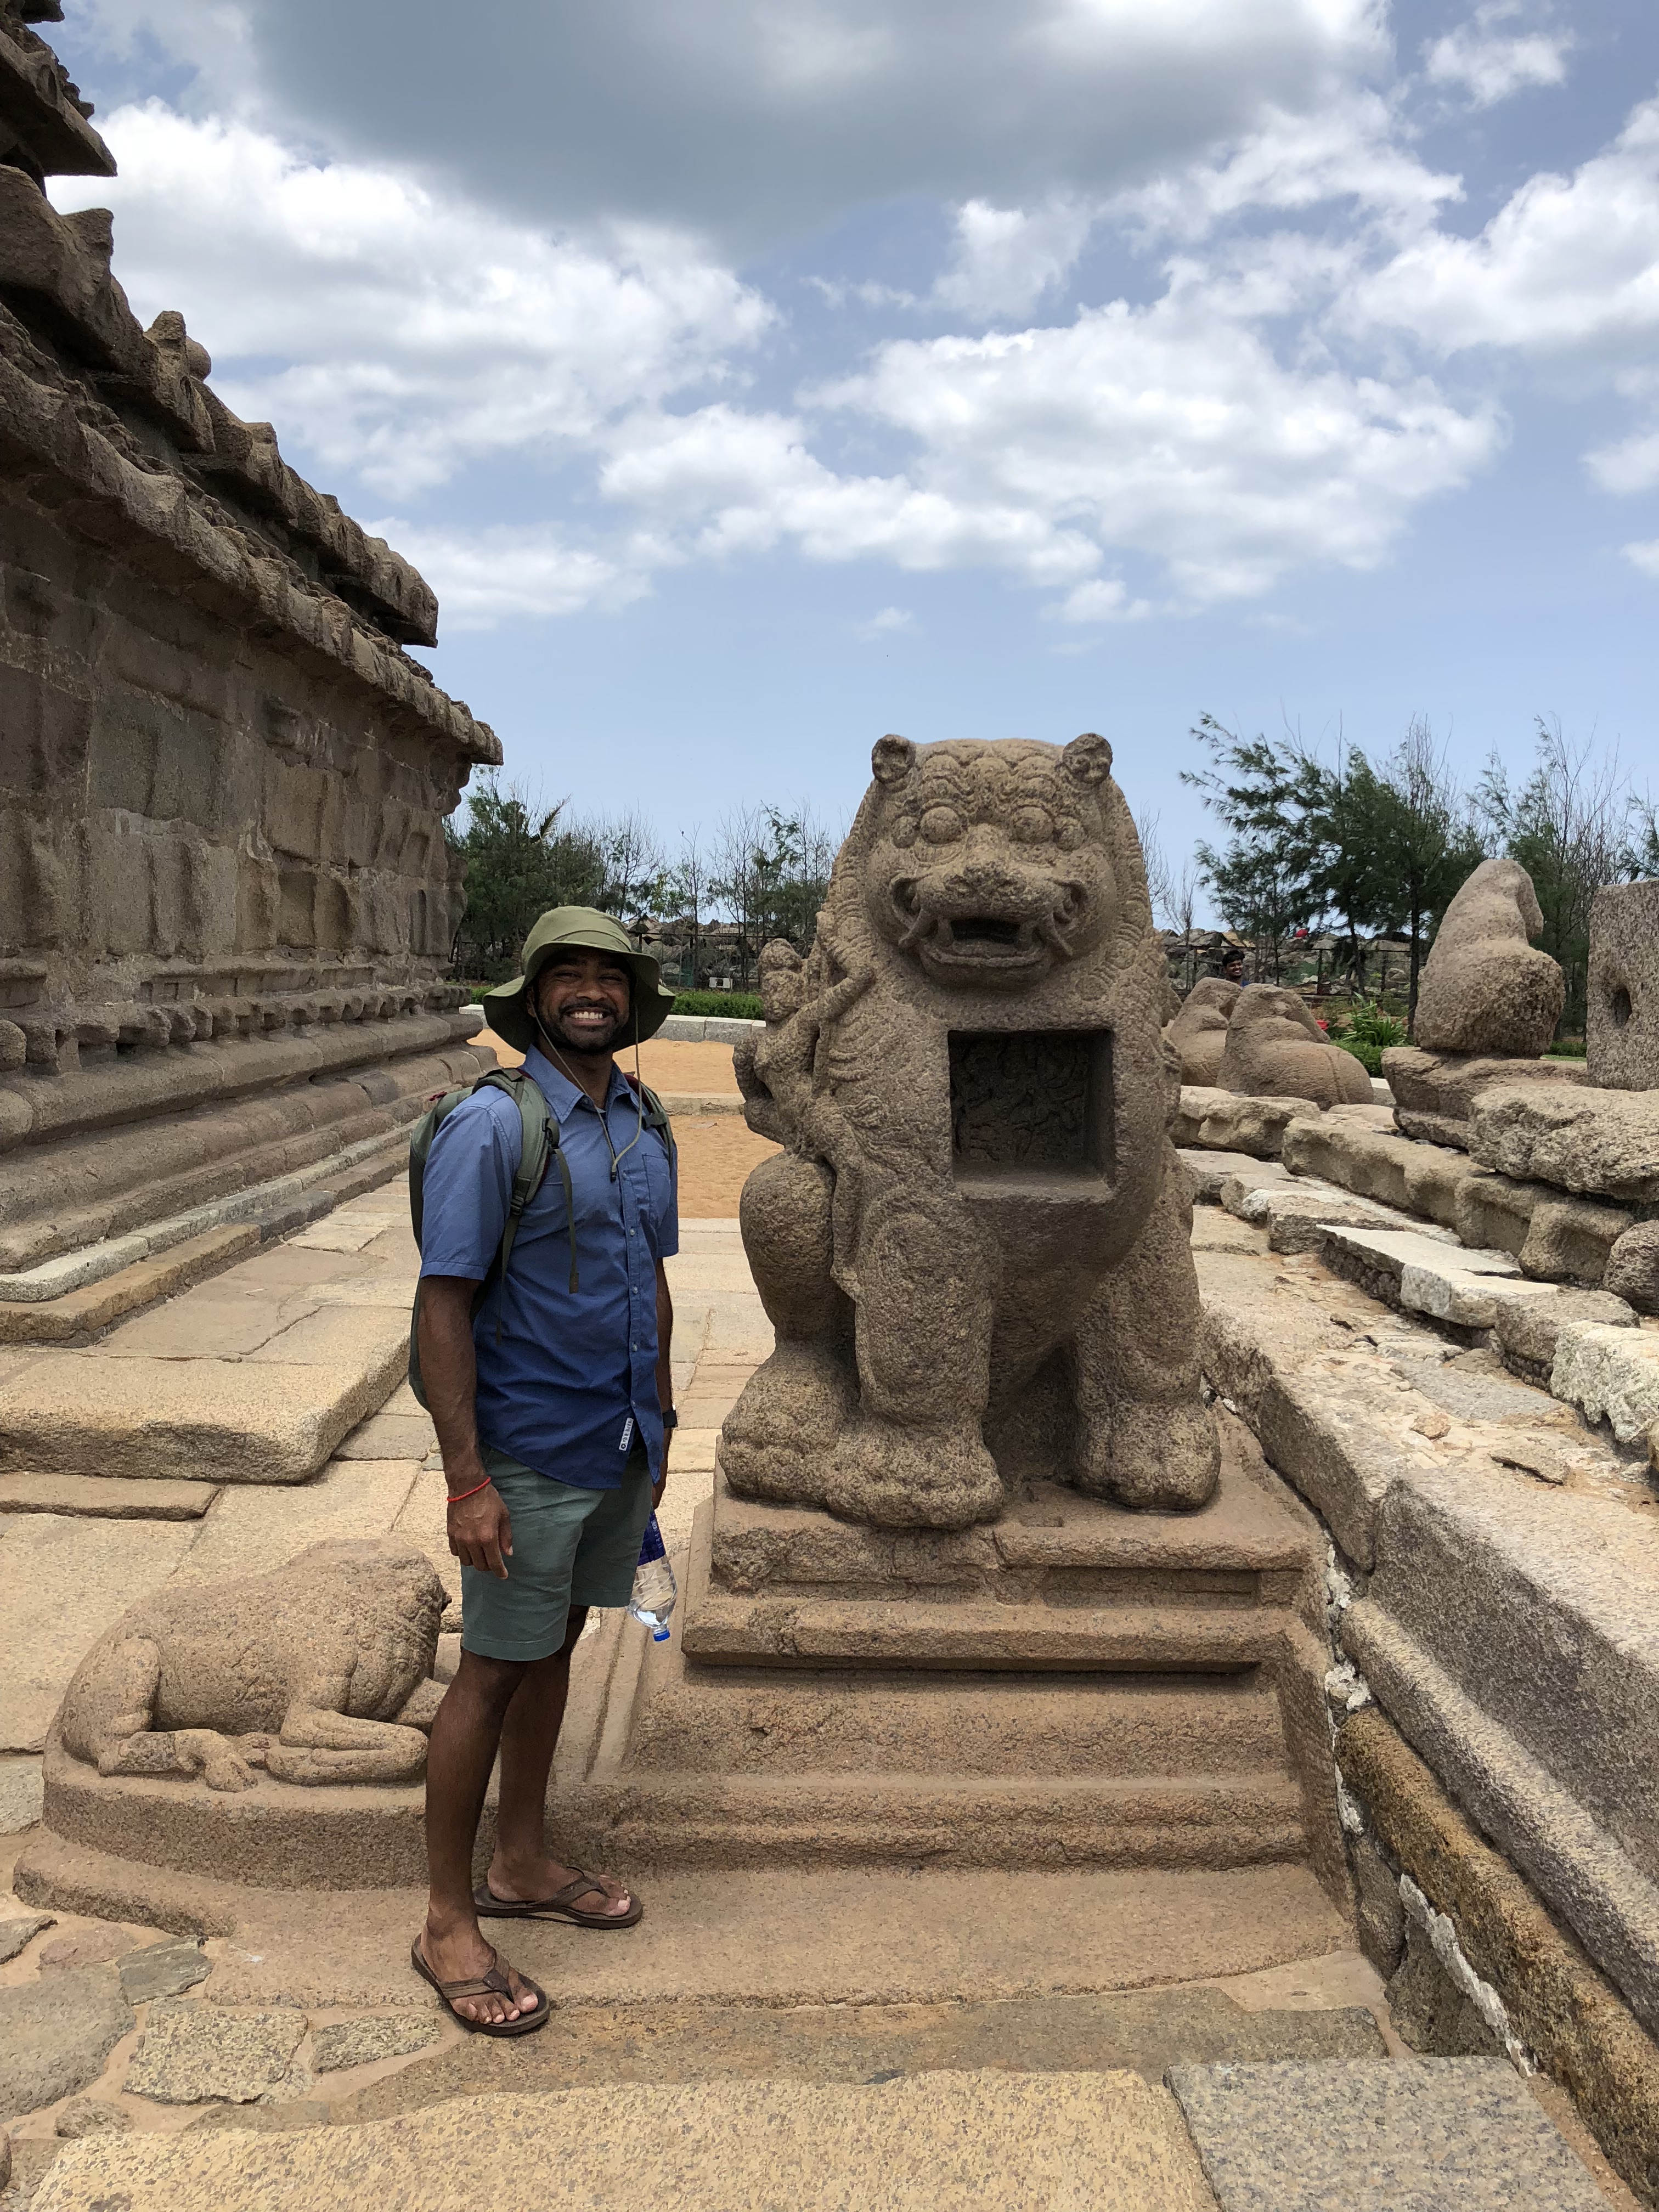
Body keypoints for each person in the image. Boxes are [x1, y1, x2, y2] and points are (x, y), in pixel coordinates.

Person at [410, 907, 679, 2033]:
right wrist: (467, 1480)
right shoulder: (493, 1126)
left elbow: (650, 1275)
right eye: (567, 975)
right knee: (489, 1669)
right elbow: (444, 1302)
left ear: (631, 1000)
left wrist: (660, 1420)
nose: (590, 992)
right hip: (525, 1448)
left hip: (614, 1442)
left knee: (557, 1642)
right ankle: (445, 1921)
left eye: (608, 977)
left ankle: (519, 1860)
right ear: (534, 999)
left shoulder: (642, 1119)